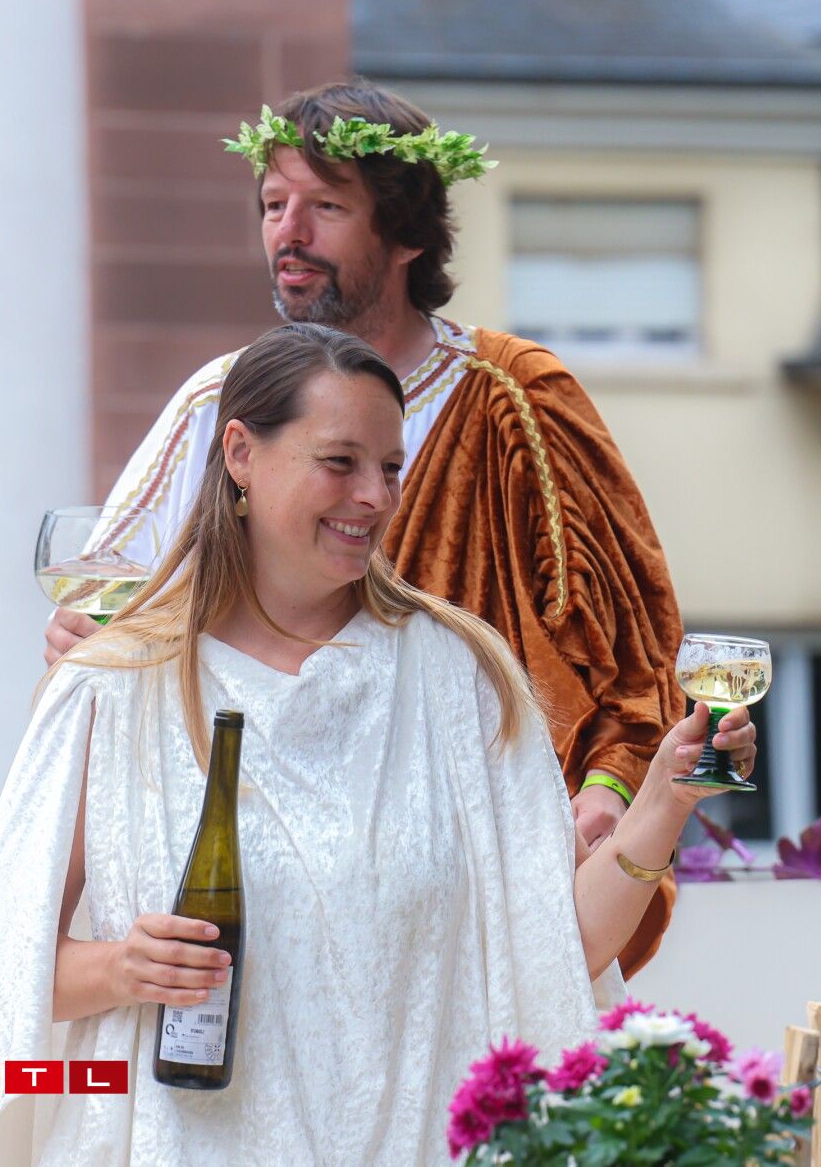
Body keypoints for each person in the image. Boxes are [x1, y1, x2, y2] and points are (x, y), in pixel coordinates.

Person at [0, 325, 755, 1165]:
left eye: (390, 467)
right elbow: (0, 979)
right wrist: (122, 967)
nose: (374, 497)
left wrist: (665, 797)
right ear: (240, 453)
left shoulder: (461, 676)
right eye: (340, 461)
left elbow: (556, 953)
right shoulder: (117, 684)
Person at [46, 81, 686, 975]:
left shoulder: (515, 399)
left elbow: (628, 651)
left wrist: (611, 788)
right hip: (258, 869)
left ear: (407, 233)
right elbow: (115, 612)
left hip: (463, 875)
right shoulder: (220, 403)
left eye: (326, 207)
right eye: (274, 205)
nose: (289, 232)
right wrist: (83, 644)